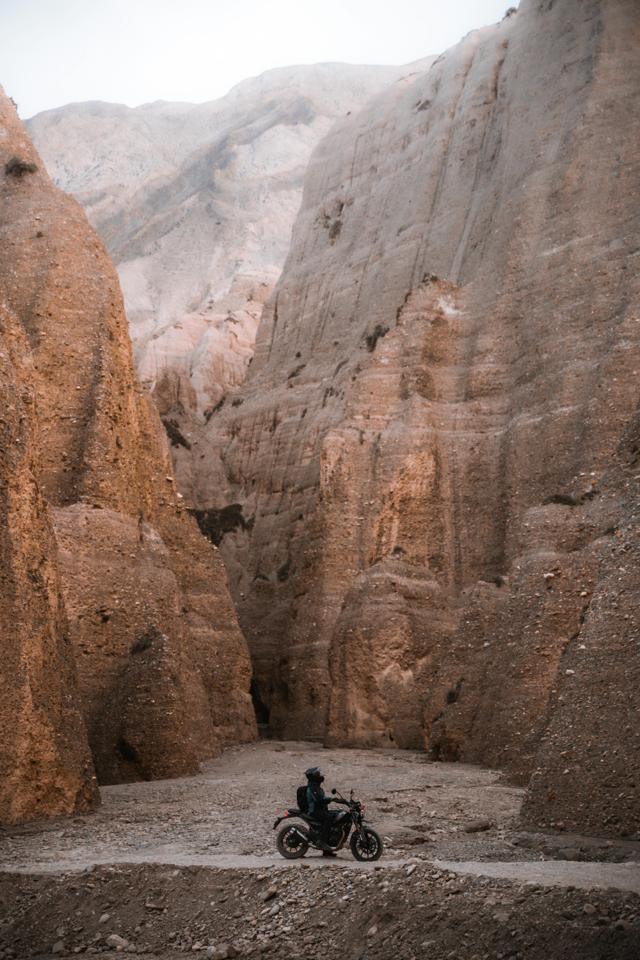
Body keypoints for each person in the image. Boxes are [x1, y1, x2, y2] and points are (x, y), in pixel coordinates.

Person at [304, 766, 343, 856]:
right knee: (328, 818)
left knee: (337, 815)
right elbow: (319, 800)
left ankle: (328, 848)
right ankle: (322, 842)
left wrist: (334, 799)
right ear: (313, 776)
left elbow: (321, 798)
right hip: (314, 811)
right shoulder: (312, 788)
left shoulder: (316, 787)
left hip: (320, 810)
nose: (320, 776)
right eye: (318, 774)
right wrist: (330, 799)